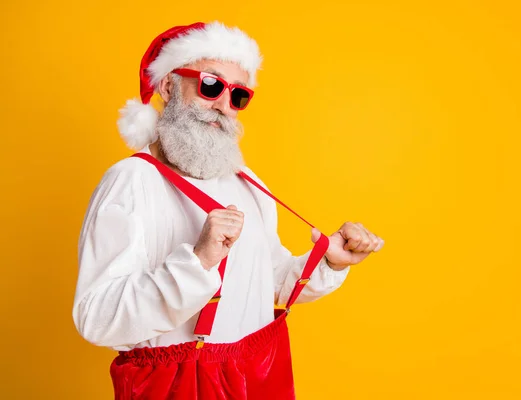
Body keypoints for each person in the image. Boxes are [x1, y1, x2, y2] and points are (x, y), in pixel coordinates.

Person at [72, 21, 385, 399]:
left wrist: (328, 263)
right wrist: (199, 262)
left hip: (258, 377)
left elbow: (264, 282)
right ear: (169, 86)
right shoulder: (130, 181)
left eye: (238, 95)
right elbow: (98, 318)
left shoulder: (245, 180)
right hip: (179, 386)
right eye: (210, 85)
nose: (223, 105)